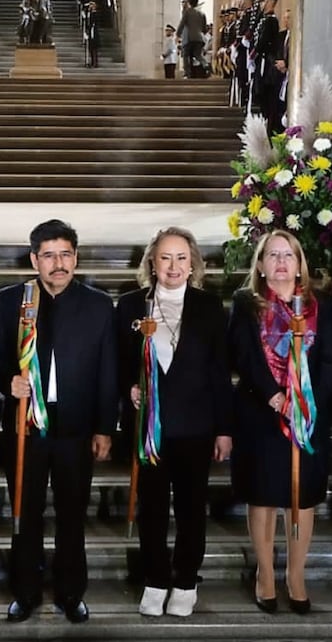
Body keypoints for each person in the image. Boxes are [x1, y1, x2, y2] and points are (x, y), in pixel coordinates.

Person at [0, 219, 116, 624]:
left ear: (75, 258)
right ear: (34, 260)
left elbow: (108, 371)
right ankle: (25, 592)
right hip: (25, 425)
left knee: (72, 514)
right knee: (25, 513)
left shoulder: (98, 304)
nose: (58, 264)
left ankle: (71, 592)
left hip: (76, 427)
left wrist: (104, 427)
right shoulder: (13, 300)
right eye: (48, 256)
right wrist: (8, 381)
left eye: (65, 255)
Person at [115, 227, 233, 617]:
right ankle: (154, 578)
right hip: (149, 429)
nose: (173, 266)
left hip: (195, 428)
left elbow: (219, 372)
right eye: (165, 257)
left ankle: (185, 581)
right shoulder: (131, 305)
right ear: (152, 262)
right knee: (150, 508)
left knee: (191, 509)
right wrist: (129, 387)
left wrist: (224, 428)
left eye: (181, 258)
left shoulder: (209, 307)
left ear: (193, 263)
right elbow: (118, 362)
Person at [229, 230, 332, 615]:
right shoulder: (246, 303)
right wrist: (275, 397)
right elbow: (242, 355)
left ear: (299, 263)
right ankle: (264, 575)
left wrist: (308, 402)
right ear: (260, 264)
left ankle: (295, 575)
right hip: (261, 414)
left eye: (288, 255)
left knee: (302, 497)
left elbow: (330, 359)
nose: (280, 262)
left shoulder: (319, 304)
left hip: (308, 416)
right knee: (263, 495)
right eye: (272, 255)